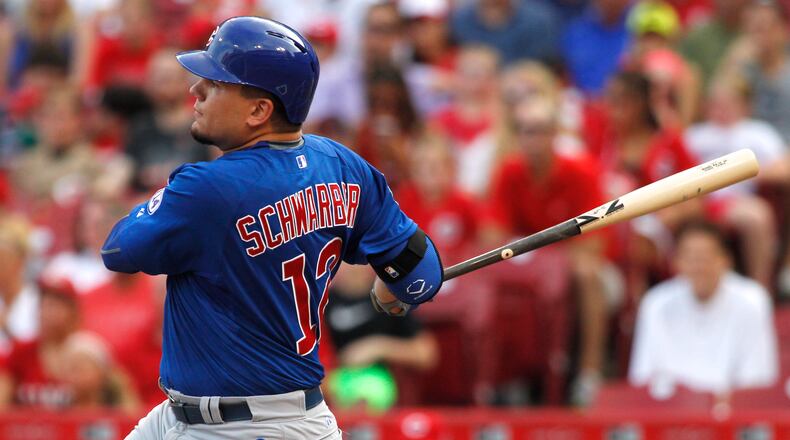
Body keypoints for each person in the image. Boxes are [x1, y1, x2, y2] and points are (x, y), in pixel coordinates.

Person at [100, 17, 443, 439]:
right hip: (224, 416)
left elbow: (117, 250)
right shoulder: (342, 164)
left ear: (259, 111)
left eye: (215, 83)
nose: (195, 89)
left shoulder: (208, 187)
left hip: (249, 427)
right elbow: (421, 272)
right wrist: (393, 289)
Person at [629, 221, 778, 395]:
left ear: (726, 260)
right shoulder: (656, 302)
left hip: (732, 406)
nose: (699, 267)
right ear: (676, 262)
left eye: (706, 257)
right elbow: (643, 377)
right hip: (670, 406)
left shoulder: (753, 300)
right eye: (691, 258)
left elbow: (757, 378)